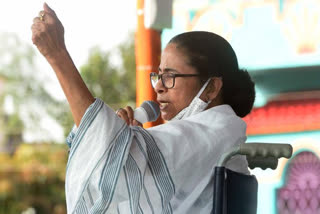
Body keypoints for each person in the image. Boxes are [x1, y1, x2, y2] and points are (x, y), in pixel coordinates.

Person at [31, 3, 255, 214]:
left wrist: (58, 56)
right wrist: (126, 141)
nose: (159, 86)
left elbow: (112, 165)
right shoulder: (219, 133)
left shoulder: (213, 132)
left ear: (211, 88)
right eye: (159, 75)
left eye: (170, 76)